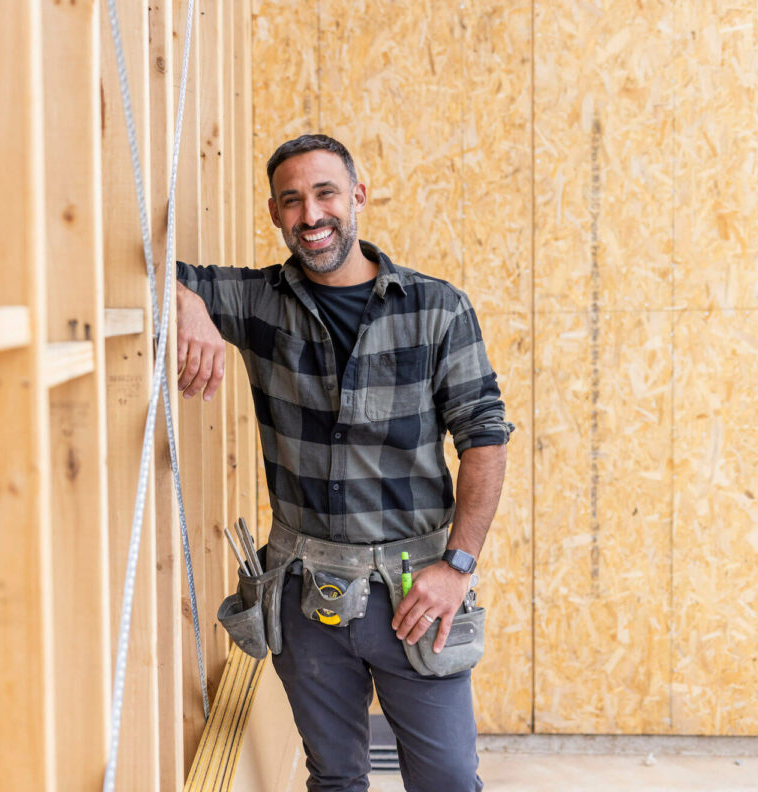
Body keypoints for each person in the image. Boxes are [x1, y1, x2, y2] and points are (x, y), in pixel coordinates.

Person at [175, 133, 513, 792]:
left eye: (325, 193)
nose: (311, 215)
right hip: (306, 597)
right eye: (292, 200)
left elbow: (486, 437)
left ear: (356, 196)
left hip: (416, 592)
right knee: (335, 780)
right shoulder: (257, 301)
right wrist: (187, 305)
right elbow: (148, 271)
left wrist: (459, 566)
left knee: (446, 778)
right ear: (274, 213)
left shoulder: (436, 308)